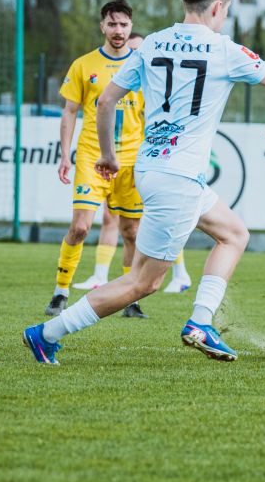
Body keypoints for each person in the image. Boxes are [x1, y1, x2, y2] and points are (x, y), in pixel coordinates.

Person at [23, 0, 265, 364]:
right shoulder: (225, 50)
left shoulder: (152, 43)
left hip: (153, 169)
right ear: (217, 7)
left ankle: (200, 321)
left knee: (234, 234)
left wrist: (107, 155)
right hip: (177, 178)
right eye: (226, 10)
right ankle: (47, 333)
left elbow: (105, 101)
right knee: (142, 283)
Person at [47, 0, 150, 319]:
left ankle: (129, 298)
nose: (118, 30)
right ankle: (60, 291)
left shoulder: (144, 65)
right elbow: (70, 112)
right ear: (102, 26)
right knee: (80, 227)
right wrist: (65, 155)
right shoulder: (83, 65)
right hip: (92, 156)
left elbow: (152, 113)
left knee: (131, 232)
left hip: (131, 160)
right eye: (112, 24)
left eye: (124, 25)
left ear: (131, 27)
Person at [70, 31, 192, 297]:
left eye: (138, 51)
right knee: (113, 218)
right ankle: (101, 275)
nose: (134, 55)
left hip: (145, 159)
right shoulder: (119, 77)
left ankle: (179, 273)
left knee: (156, 219)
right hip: (123, 158)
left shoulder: (150, 81)